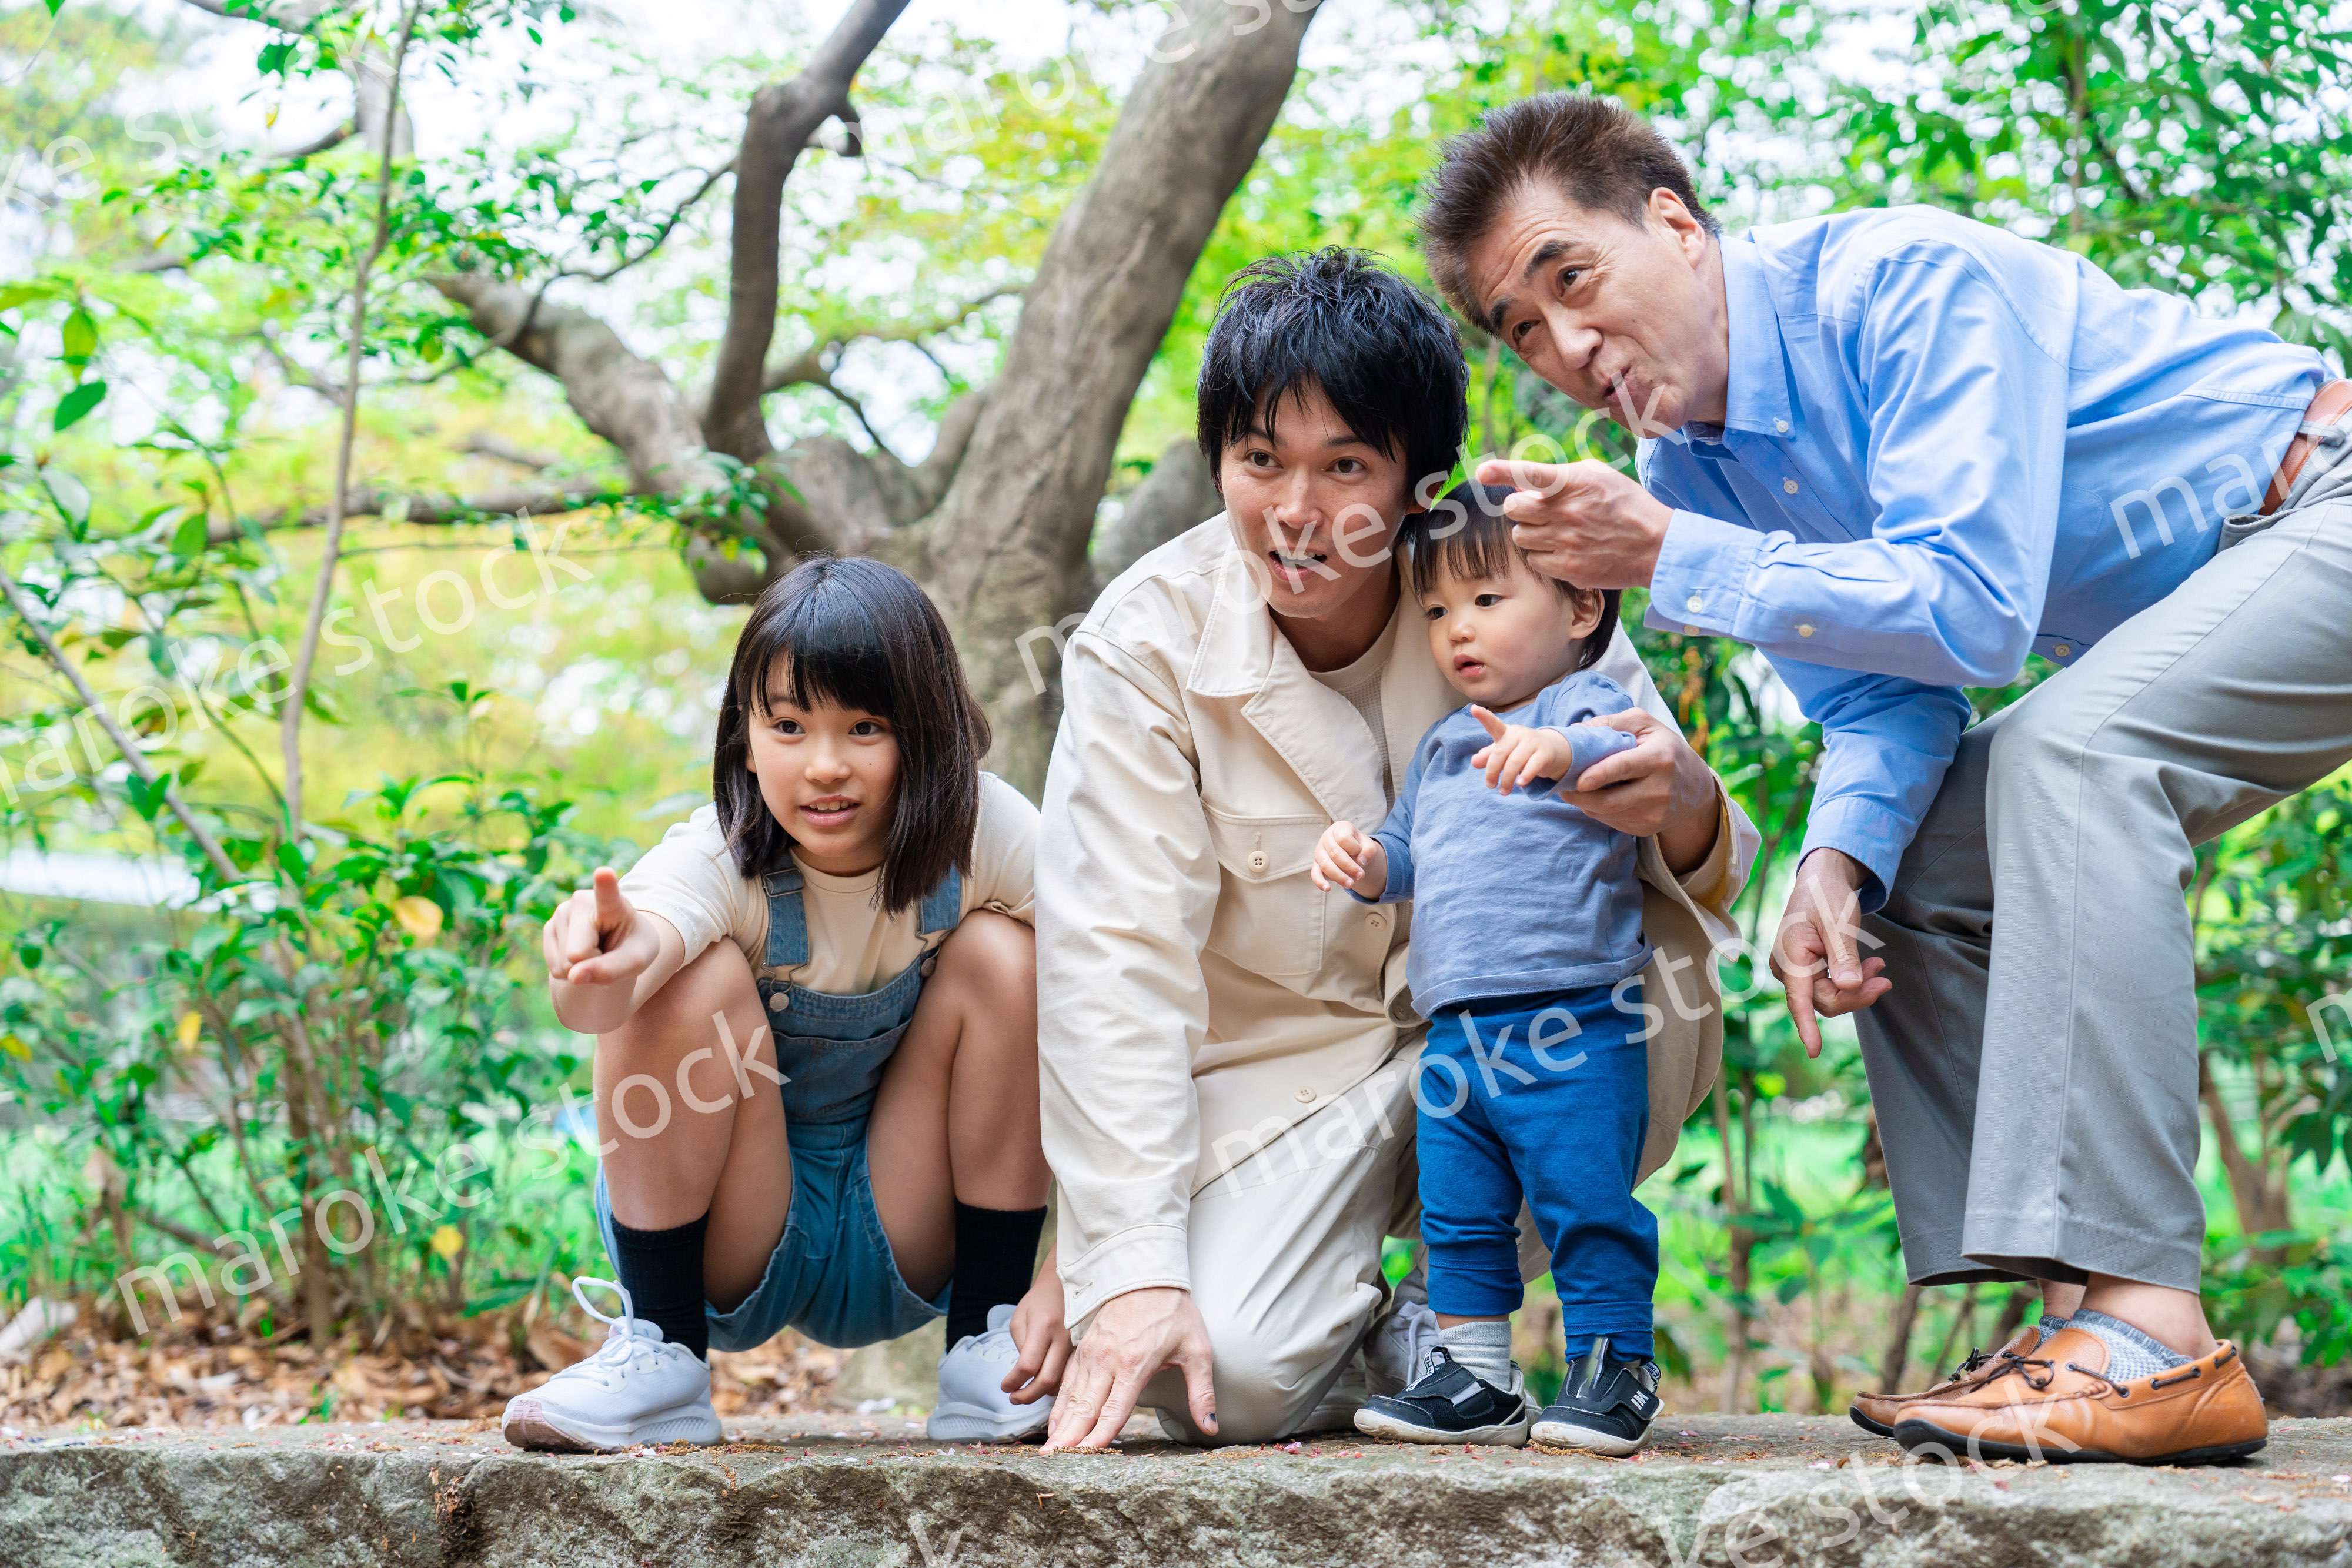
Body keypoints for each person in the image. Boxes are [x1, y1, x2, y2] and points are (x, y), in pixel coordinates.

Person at [1415, 91, 2337, 1463]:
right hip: (2188, 619)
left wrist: (1670, 552)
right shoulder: (1686, 469)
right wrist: (1829, 867)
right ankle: (2079, 1322)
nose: (1565, 346)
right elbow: (1885, 706)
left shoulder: (1903, 288)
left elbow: (1968, 608)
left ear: (1673, 221)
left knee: (2062, 757)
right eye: (1523, 330)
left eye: (1572, 280)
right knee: (1906, 858)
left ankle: (2152, 1332)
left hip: (2316, 500)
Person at [1034, 248, 1757, 1452]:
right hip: (1283, 1082)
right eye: (1259, 461)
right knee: (1237, 1377)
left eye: (1345, 467)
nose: (1294, 513)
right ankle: (1390, 1328)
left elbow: (1694, 854)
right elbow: (1113, 961)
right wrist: (1123, 1253)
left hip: (1525, 1023)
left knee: (1648, 970)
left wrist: (1678, 796)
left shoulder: (1524, 580)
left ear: (1422, 486)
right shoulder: (1142, 643)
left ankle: (1525, 1327)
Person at [501, 557, 1064, 1452]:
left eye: (866, 727)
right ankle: (662, 1352)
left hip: (903, 1224)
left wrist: (1088, 1267)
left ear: (928, 731)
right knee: (688, 973)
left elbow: (1128, 981)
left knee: (1008, 953)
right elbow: (612, 991)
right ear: (745, 735)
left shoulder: (989, 836)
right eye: (790, 726)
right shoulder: (717, 858)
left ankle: (989, 1346)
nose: (825, 767)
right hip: (734, 1237)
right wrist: (596, 964)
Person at [1317, 484, 1666, 1455]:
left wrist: (1561, 749)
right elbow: (1407, 851)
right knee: (1457, 1218)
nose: (1456, 632)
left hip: (1573, 1023)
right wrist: (1367, 863)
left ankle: (1615, 1367)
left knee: (1586, 1201)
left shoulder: (1584, 703)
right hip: (1457, 1034)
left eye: (1485, 600)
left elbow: (1635, 748)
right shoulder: (1444, 745)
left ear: (1581, 607)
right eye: (1435, 612)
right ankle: (1476, 1374)